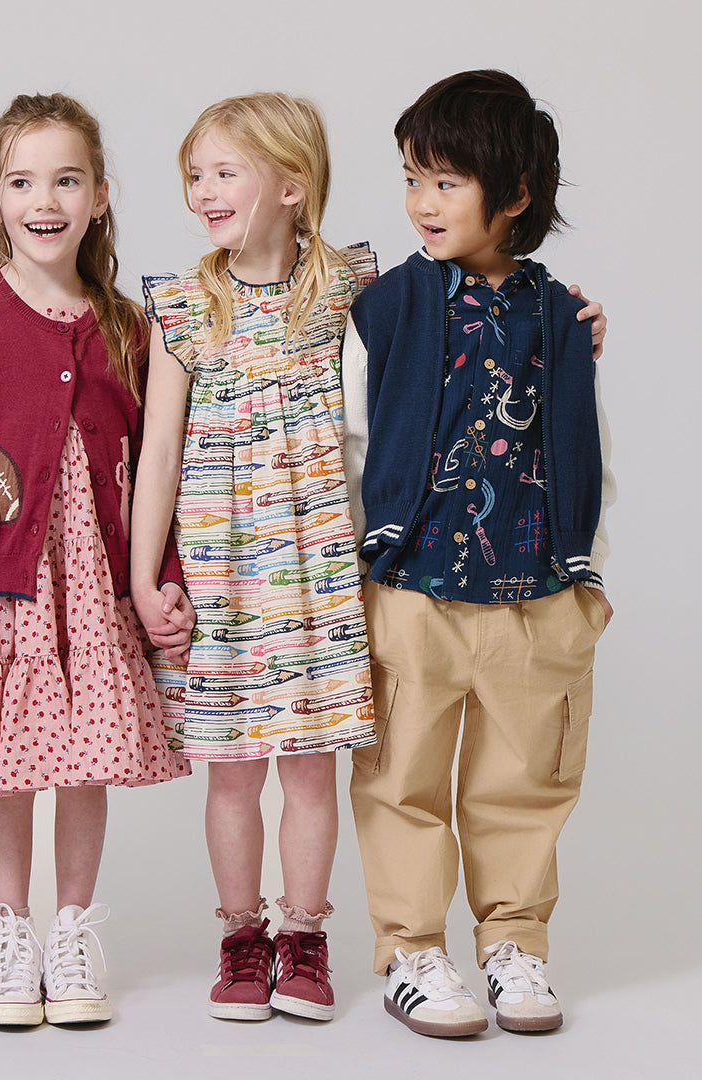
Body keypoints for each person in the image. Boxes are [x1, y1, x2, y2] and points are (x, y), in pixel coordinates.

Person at [0, 92, 192, 1027]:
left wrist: (161, 578)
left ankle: (72, 930)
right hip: (6, 583)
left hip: (94, 580)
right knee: (14, 763)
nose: (45, 199)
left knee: (84, 761)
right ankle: (12, 929)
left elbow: (157, 467)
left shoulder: (129, 327)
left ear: (100, 194)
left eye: (66, 179)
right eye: (23, 181)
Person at [342, 69, 614, 1037]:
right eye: (415, 176)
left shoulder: (559, 314)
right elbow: (355, 441)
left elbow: (583, 447)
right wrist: (355, 568)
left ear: (518, 194)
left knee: (524, 780)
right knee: (401, 775)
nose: (422, 201)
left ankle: (514, 945)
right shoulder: (386, 307)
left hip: (534, 593)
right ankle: (413, 949)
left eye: (448, 181)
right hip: (414, 587)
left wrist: (585, 573)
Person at [133, 93, 377, 1023]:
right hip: (222, 571)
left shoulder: (352, 287)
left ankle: (305, 936)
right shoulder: (185, 306)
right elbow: (157, 454)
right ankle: (241, 937)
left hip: (317, 569)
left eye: (224, 172)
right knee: (231, 768)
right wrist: (143, 575)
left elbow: (456, 316)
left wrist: (570, 325)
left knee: (311, 765)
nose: (202, 191)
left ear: (291, 184)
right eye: (194, 174)